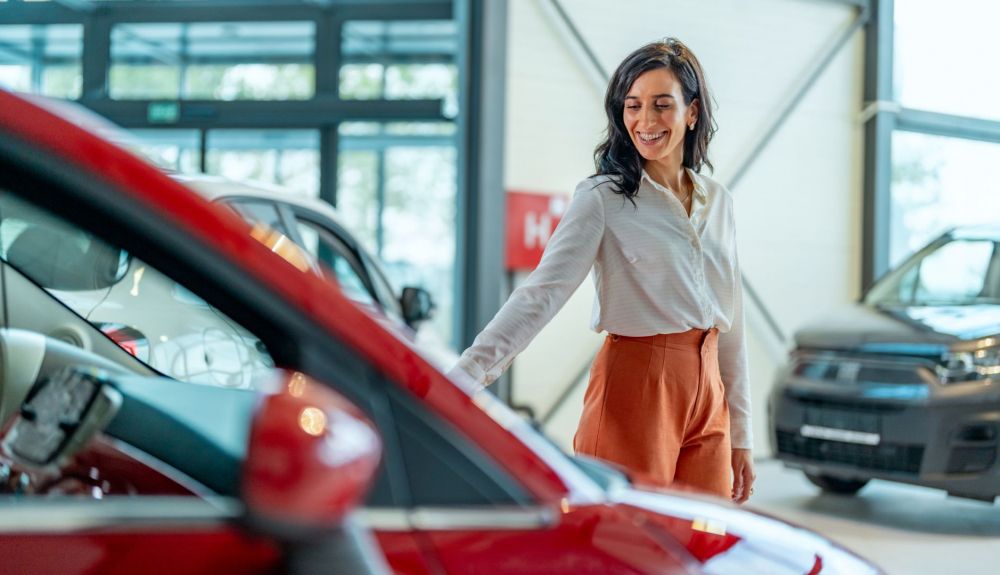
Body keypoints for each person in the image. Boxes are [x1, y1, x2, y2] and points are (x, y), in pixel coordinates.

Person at [449, 38, 755, 504]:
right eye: (633, 106)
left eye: (661, 105)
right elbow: (541, 295)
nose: (645, 122)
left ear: (691, 113)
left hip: (708, 392)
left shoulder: (720, 202)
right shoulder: (603, 198)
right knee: (628, 541)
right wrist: (460, 383)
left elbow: (732, 321)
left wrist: (741, 432)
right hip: (637, 385)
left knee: (704, 543)